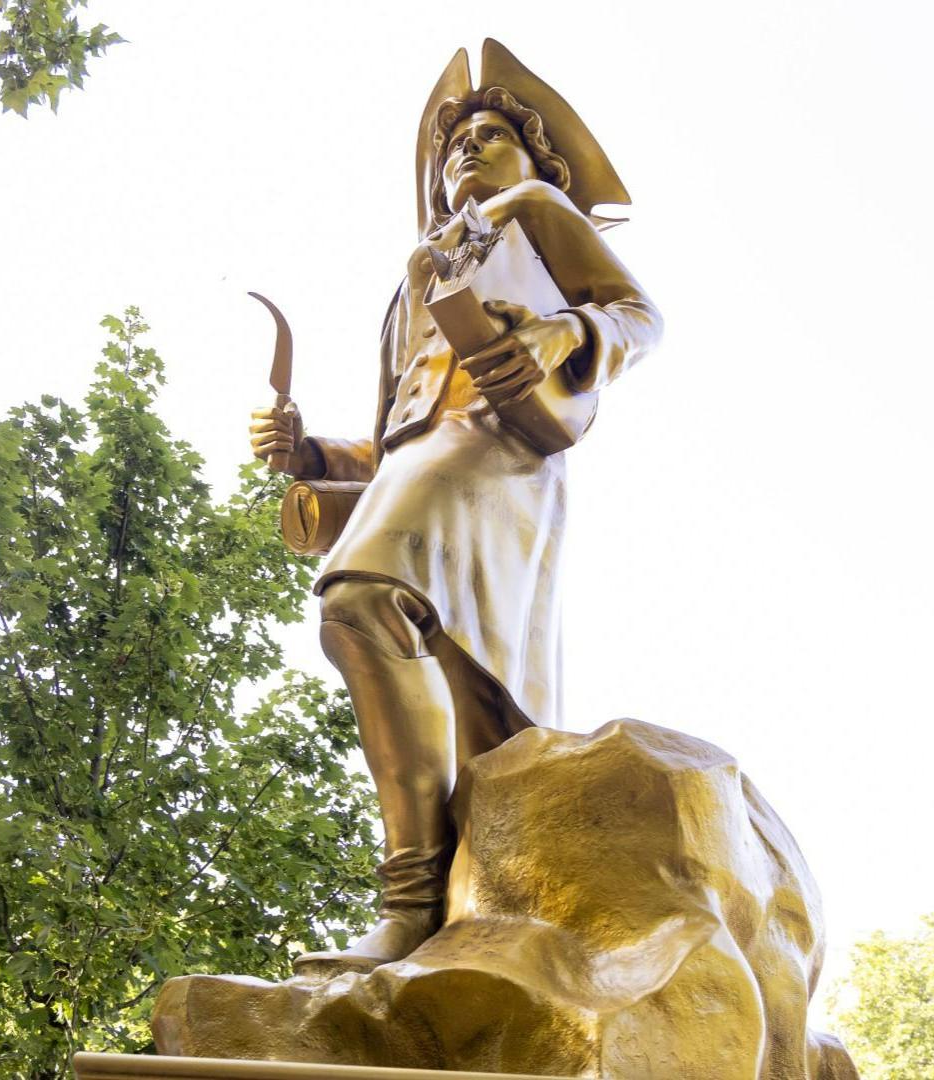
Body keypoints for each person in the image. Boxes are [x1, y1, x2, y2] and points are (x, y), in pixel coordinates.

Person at [249, 40, 662, 977]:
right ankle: (438, 912)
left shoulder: (534, 213)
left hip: (499, 457)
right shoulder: (413, 277)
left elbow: (640, 314)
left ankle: (409, 906)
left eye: (493, 136)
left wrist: (567, 329)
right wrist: (309, 453)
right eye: (456, 142)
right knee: (459, 707)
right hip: (424, 464)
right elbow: (392, 433)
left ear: (533, 161)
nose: (469, 151)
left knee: (357, 599)